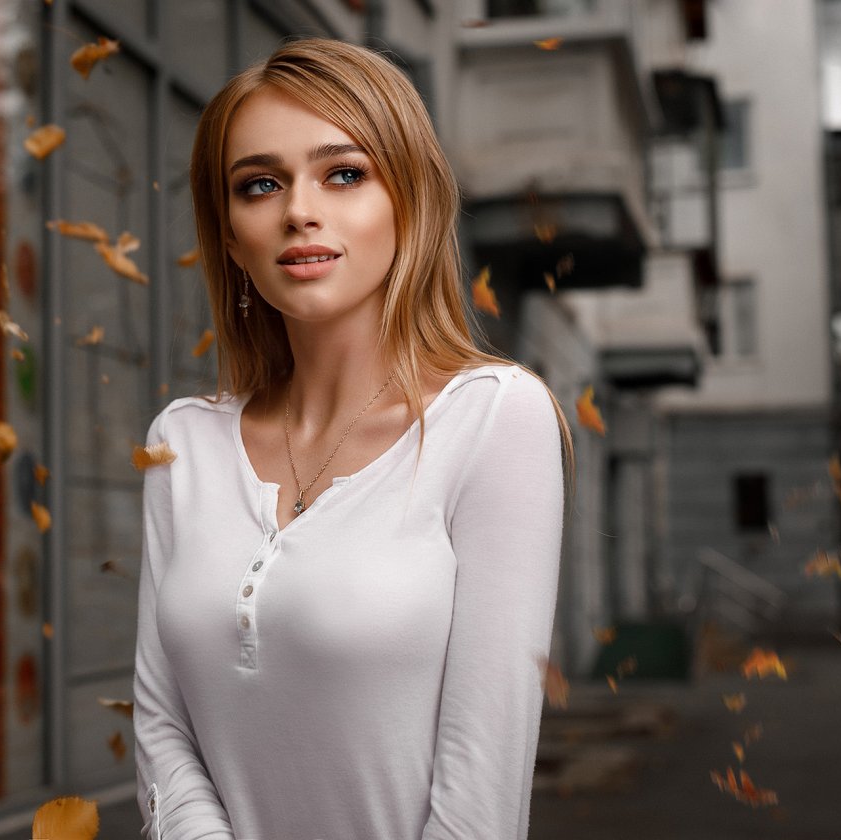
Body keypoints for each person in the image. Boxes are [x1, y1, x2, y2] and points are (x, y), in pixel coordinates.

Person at [133, 37, 571, 840]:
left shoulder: (496, 418)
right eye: (259, 184)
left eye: (344, 173)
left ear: (410, 202)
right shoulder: (182, 444)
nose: (299, 209)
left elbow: (485, 782)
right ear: (230, 236)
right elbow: (163, 730)